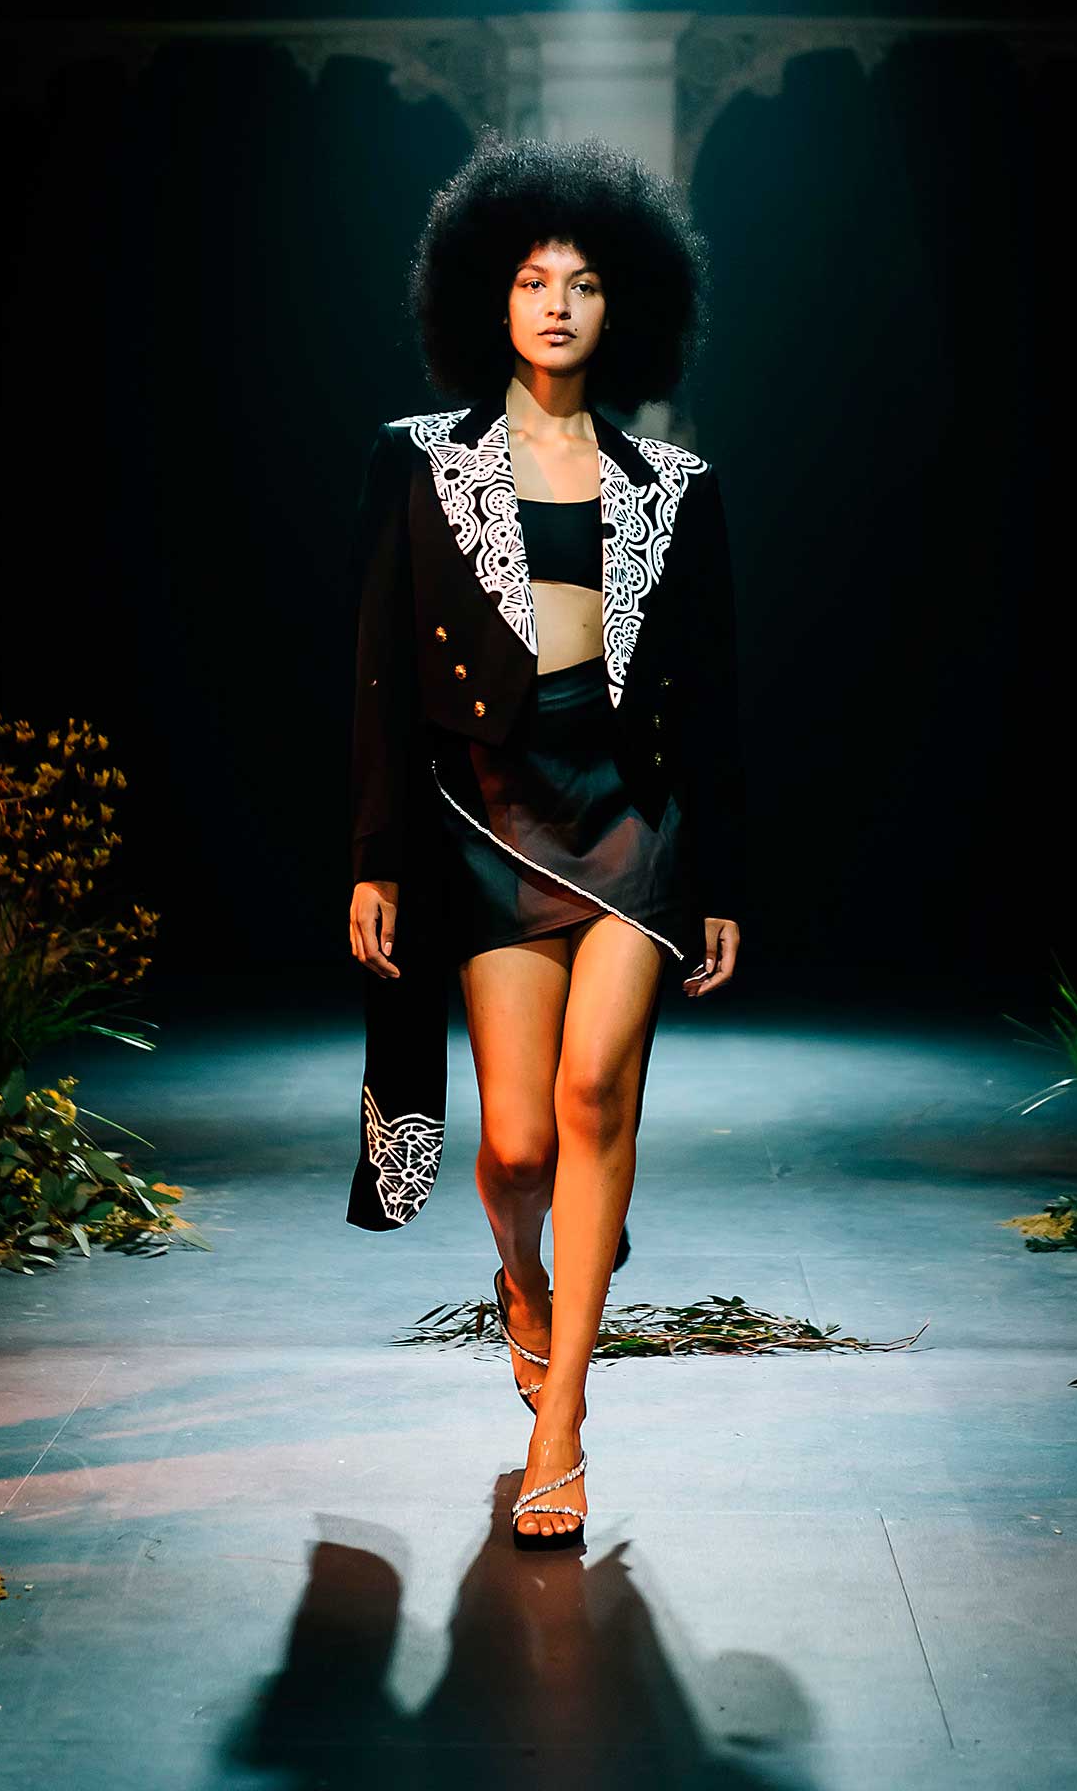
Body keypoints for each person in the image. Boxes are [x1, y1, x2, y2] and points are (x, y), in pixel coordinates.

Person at [346, 130, 747, 1550]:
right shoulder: (420, 463)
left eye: (582, 281)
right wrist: (376, 855)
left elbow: (712, 694)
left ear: (623, 302)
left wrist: (722, 875)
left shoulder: (673, 481)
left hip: (630, 816)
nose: (558, 303)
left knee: (593, 1099)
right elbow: (380, 675)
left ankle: (563, 1425)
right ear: (489, 298)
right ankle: (524, 1275)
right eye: (531, 280)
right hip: (485, 814)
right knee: (514, 1144)